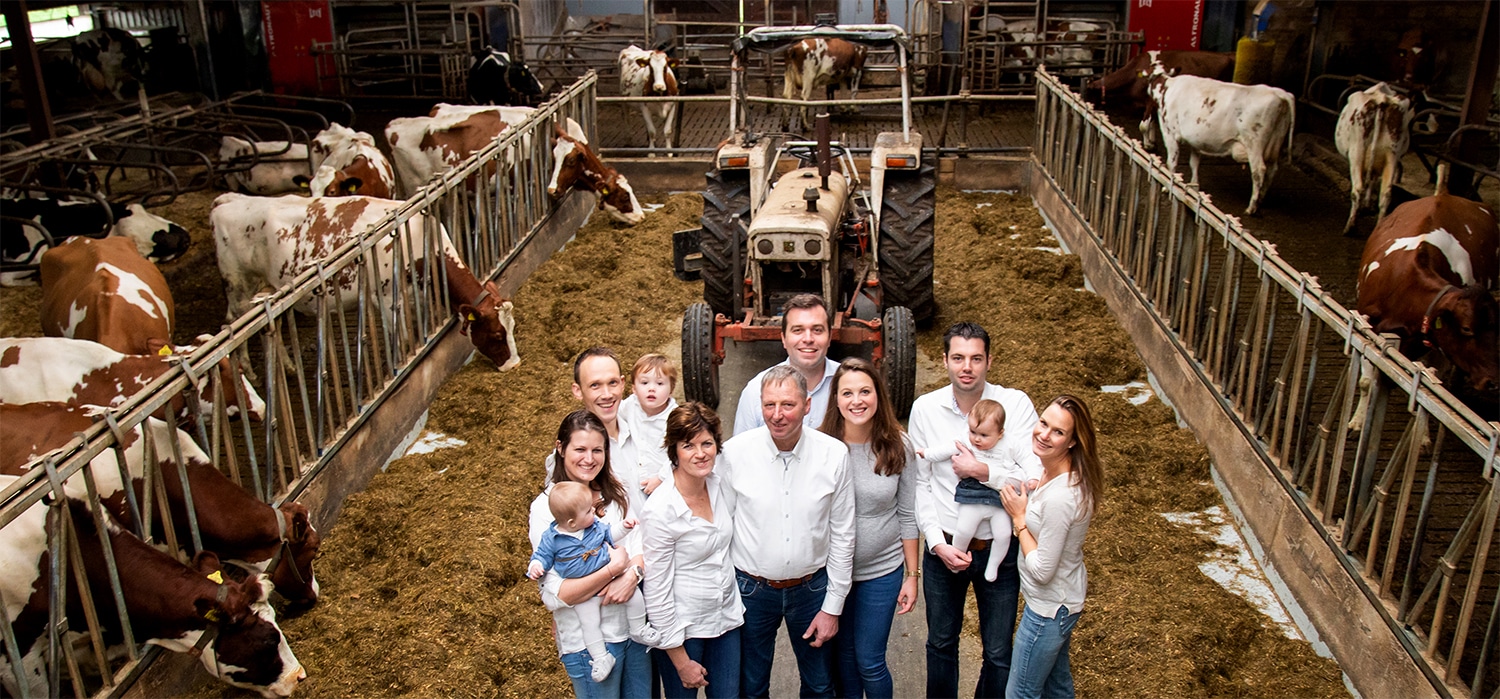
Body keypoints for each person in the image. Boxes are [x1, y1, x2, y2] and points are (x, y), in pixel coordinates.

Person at [908, 322, 1042, 698]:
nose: (967, 367)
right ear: (945, 360)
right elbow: (921, 484)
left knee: (998, 652)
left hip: (1000, 546)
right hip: (946, 545)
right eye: (958, 358)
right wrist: (935, 543)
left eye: (976, 358)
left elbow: (1034, 477)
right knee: (940, 645)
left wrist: (983, 471)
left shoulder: (1015, 405)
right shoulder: (926, 409)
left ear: (989, 361)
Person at [720, 365, 855, 698]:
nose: (777, 415)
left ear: (807, 405)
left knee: (821, 685)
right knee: (750, 687)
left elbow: (843, 534)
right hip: (751, 590)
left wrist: (832, 607)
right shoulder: (735, 454)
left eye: (787, 405)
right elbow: (721, 530)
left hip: (812, 592)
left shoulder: (834, 455)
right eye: (769, 405)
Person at [529, 410, 652, 698]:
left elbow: (640, 549)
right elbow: (558, 593)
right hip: (588, 645)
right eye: (580, 449)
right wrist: (613, 570)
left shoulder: (615, 494)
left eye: (597, 449)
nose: (589, 458)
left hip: (632, 632)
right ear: (560, 449)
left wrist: (632, 575)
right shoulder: (546, 510)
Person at [816, 358, 919, 699]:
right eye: (847, 393)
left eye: (865, 391)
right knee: (843, 658)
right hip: (832, 573)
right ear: (836, 399)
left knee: (870, 660)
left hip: (882, 571)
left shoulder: (897, 446)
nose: (857, 400)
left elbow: (907, 514)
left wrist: (912, 575)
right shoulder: (821, 446)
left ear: (878, 395)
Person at [999, 395, 1103, 699]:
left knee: (1020, 693)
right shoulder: (1049, 469)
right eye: (1043, 422)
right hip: (1062, 601)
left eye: (1057, 432)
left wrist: (1019, 518)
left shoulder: (1063, 496)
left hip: (1049, 609)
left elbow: (1043, 570)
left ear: (1072, 442)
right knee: (1056, 689)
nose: (1044, 434)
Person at [641, 402, 743, 699]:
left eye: (707, 443)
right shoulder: (660, 510)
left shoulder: (717, 484)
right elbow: (656, 591)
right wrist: (681, 660)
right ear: (674, 451)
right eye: (689, 446)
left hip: (725, 620)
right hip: (682, 632)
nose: (700, 453)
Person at [529, 481, 660, 681]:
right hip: (585, 591)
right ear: (572, 523)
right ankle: (600, 657)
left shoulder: (594, 528)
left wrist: (624, 527)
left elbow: (611, 532)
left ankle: (639, 628)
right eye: (588, 511)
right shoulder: (552, 538)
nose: (594, 511)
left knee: (635, 597)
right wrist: (535, 566)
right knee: (589, 622)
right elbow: (542, 556)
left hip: (613, 581)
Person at [918, 399, 1041, 582]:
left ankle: (993, 566)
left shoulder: (1010, 444)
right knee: (964, 529)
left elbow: (1027, 459)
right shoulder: (966, 440)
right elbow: (944, 450)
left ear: (1000, 433)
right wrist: (927, 453)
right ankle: (958, 556)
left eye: (984, 435)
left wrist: (1033, 477)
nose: (976, 439)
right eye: (973, 432)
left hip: (999, 500)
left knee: (1003, 534)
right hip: (973, 497)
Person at [547, 348, 648, 512]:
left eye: (612, 383)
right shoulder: (574, 460)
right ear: (577, 391)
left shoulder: (646, 430)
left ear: (622, 383)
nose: (607, 394)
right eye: (595, 385)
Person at [733, 294, 840, 435]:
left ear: (829, 337)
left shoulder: (850, 384)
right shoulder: (756, 390)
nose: (808, 339)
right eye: (798, 330)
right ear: (783, 338)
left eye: (817, 330)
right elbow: (741, 452)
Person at [620, 353, 679, 494]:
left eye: (659, 383)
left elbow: (679, 454)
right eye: (644, 383)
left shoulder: (674, 418)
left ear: (671, 389)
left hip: (664, 483)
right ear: (634, 388)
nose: (651, 388)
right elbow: (611, 417)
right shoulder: (630, 405)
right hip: (634, 480)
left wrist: (661, 477)